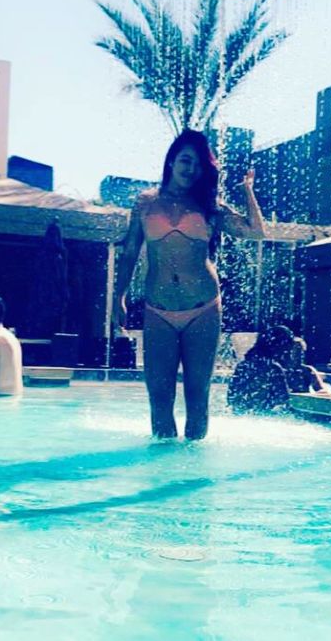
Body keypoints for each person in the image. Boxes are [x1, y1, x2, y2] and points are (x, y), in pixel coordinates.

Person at [113, 130, 266, 439]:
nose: (191, 169)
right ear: (171, 161)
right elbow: (129, 252)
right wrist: (119, 296)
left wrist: (247, 191)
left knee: (197, 396)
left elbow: (255, 231)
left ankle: (192, 466)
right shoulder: (145, 203)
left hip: (203, 309)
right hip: (158, 310)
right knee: (159, 398)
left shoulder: (209, 206)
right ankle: (162, 463)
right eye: (185, 160)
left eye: (198, 164)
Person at [227, 325, 294, 414]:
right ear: (277, 346)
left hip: (241, 414)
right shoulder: (274, 369)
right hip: (263, 415)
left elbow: (231, 398)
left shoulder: (243, 365)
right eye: (286, 347)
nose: (287, 351)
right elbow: (283, 400)